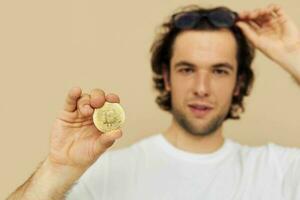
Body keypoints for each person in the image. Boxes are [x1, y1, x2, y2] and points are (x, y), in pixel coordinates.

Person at [7, 4, 300, 200]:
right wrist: (56, 171)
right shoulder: (105, 173)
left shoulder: (281, 170)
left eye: (219, 71)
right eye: (187, 69)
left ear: (238, 83)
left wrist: (296, 55)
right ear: (167, 76)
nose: (201, 88)